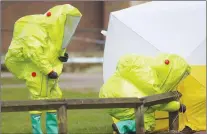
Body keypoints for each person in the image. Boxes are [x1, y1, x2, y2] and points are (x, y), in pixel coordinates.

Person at [5, 4, 82, 134]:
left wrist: (62, 56)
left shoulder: (53, 33)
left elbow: (52, 51)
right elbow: (35, 54)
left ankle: (53, 131)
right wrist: (49, 70)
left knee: (55, 98)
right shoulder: (36, 31)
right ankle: (37, 131)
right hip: (37, 71)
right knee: (38, 98)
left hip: (49, 73)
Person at [99, 53, 189, 133]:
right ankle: (123, 126)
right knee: (148, 122)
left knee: (134, 115)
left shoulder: (143, 67)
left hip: (106, 94)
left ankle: (125, 127)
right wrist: (177, 106)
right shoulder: (154, 84)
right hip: (126, 99)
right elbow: (157, 103)